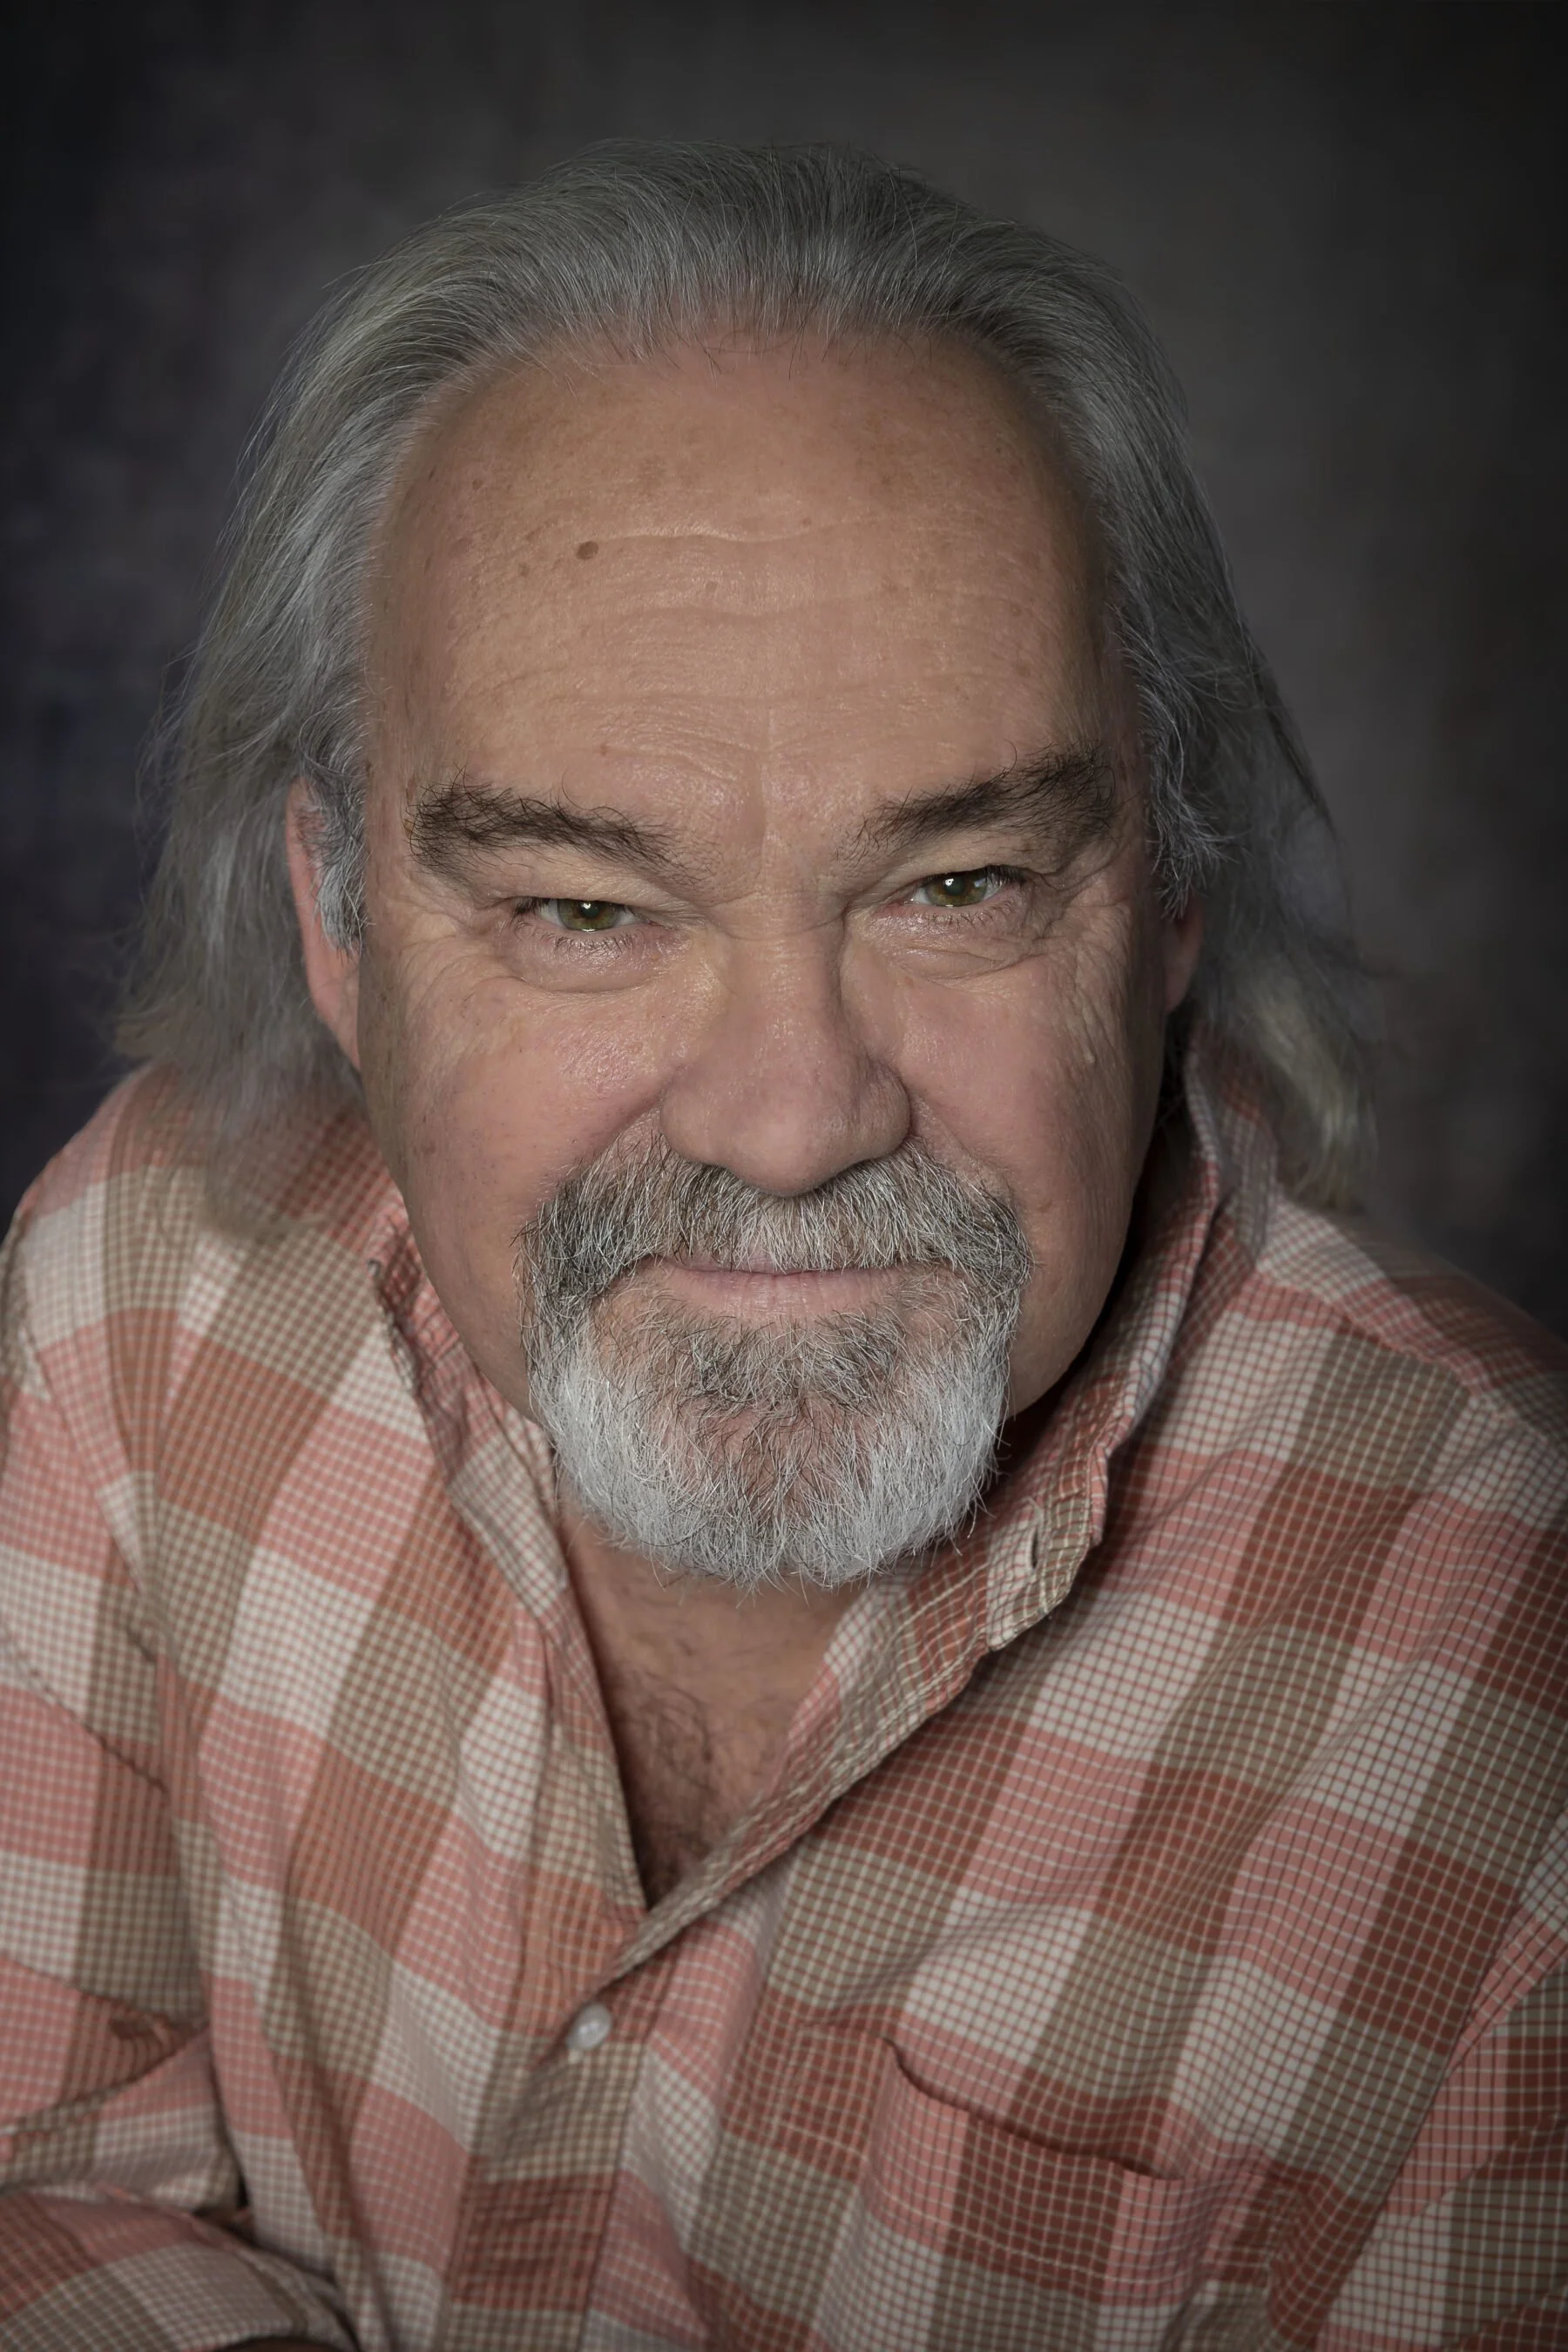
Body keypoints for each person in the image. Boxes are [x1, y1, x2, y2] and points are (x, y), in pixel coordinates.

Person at [0, 141, 1563, 2352]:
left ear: (1172, 900)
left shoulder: (1509, 1733)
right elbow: (37, 2175)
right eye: (585, 911)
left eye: (956, 889)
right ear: (339, 927)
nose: (791, 1115)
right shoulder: (144, 1295)